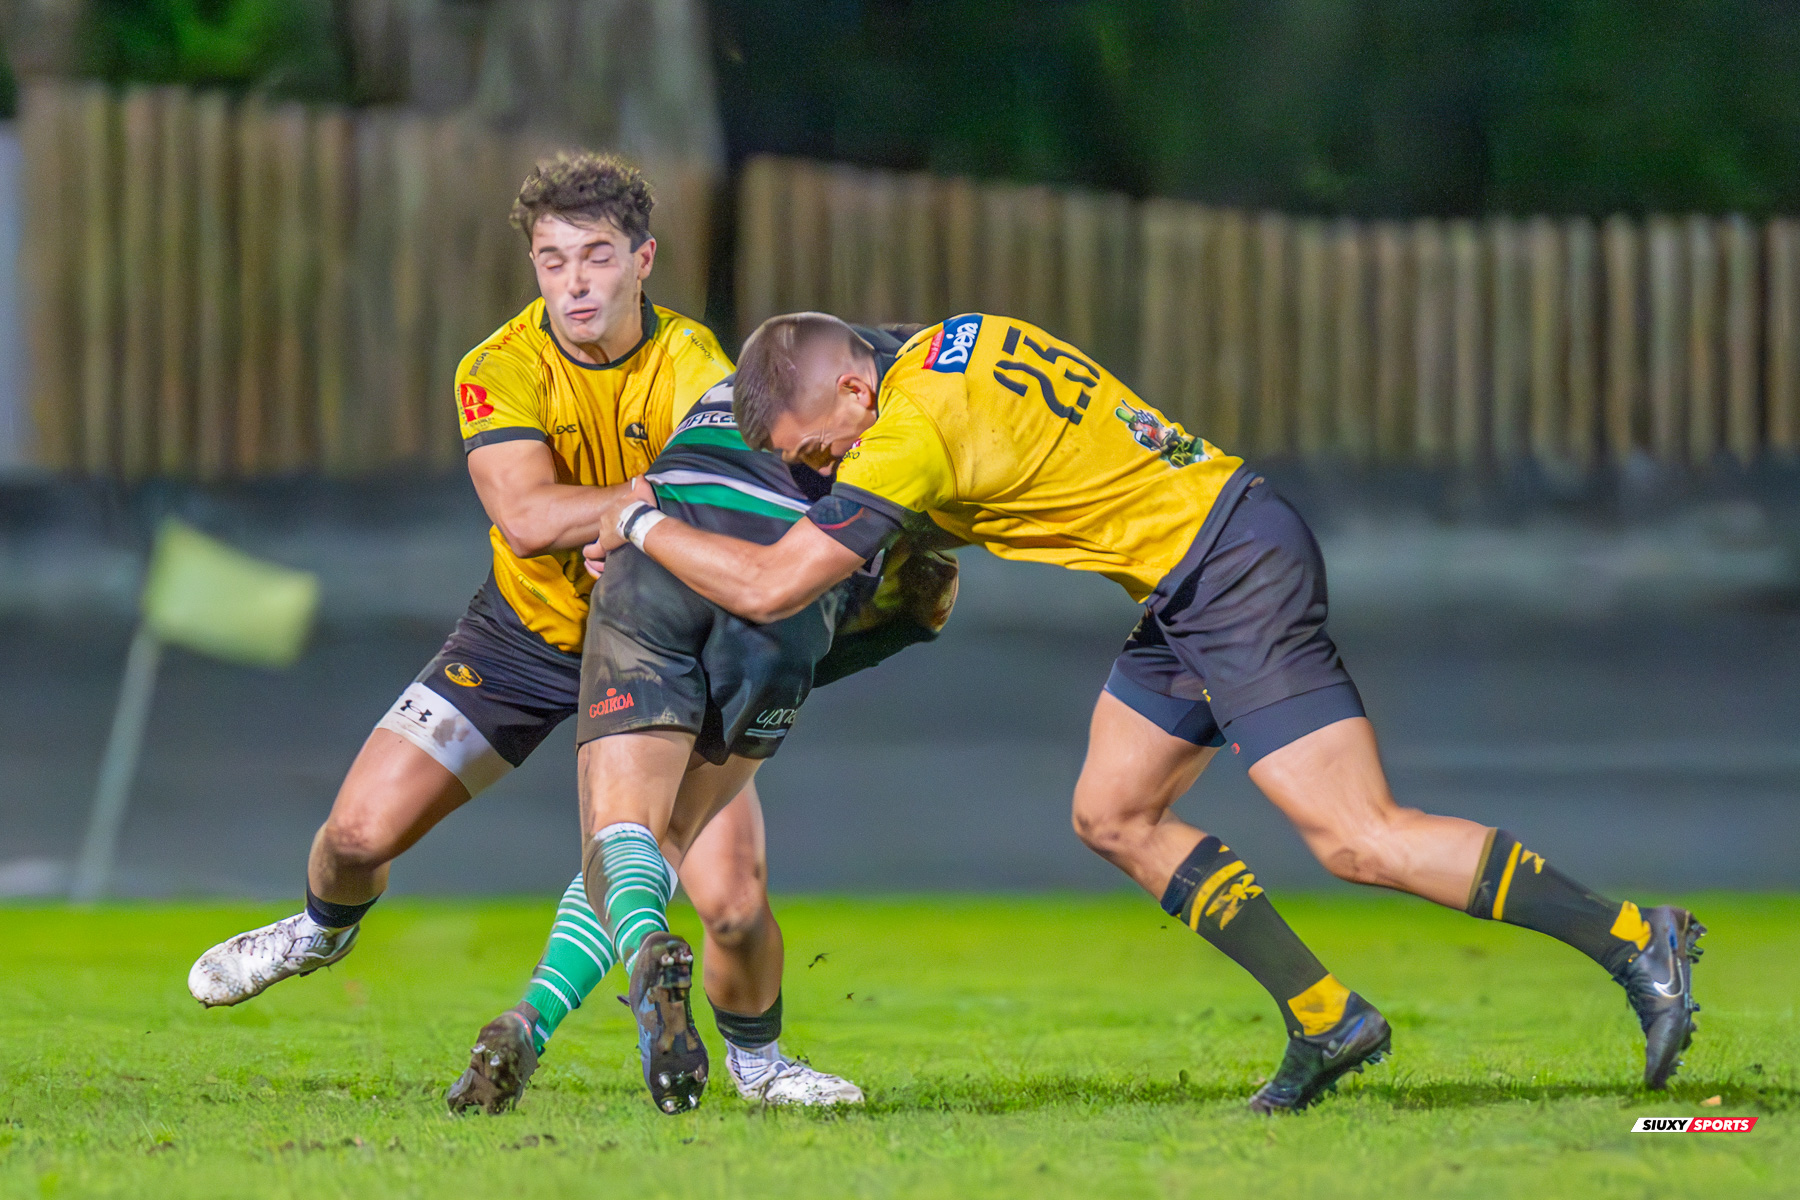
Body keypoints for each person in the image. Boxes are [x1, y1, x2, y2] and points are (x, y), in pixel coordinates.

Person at [582, 311, 1706, 1113]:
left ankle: (1631, 940)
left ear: (852, 394)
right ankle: (1327, 1017)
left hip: (1231, 570)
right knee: (1114, 812)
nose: (821, 468)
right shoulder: (951, 338)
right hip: (1197, 567)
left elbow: (777, 585)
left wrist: (634, 523)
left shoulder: (904, 430)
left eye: (814, 447)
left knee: (1356, 835)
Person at [185, 154, 859, 1109]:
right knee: (356, 833)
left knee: (735, 902)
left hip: (665, 650)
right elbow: (531, 519)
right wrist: (639, 516)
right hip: (525, 642)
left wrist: (645, 534)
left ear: (644, 260)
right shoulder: (499, 365)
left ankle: (758, 1065)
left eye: (595, 257)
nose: (574, 282)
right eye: (552, 261)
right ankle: (318, 932)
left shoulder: (693, 365)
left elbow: (727, 508)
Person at [511, 364, 955, 1113]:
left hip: (649, 581)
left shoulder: (724, 372)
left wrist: (629, 516)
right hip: (774, 605)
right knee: (691, 856)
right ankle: (758, 1065)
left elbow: (531, 514)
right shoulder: (911, 408)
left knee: (638, 844)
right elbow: (927, 577)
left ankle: (531, 1020)